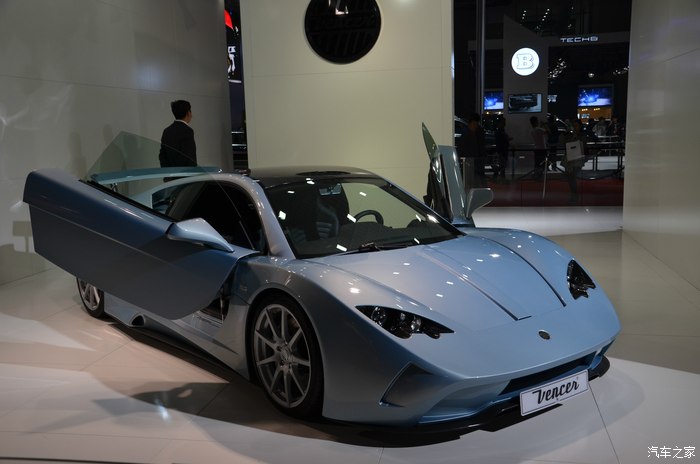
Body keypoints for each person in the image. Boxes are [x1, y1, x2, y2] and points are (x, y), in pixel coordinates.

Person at [159, 100, 197, 167]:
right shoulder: (188, 131)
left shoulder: (167, 131)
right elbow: (190, 157)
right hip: (185, 172)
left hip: (170, 172)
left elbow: (162, 156)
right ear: (188, 113)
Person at [560, 118, 590, 203]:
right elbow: (562, 142)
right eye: (573, 126)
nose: (574, 127)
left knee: (572, 178)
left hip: (577, 160)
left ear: (580, 126)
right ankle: (574, 195)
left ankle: (574, 196)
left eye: (576, 126)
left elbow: (584, 146)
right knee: (570, 178)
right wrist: (566, 133)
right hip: (569, 159)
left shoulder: (582, 136)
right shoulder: (569, 135)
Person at [456, 113, 487, 187]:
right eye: (474, 124)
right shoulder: (469, 134)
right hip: (470, 162)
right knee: (472, 182)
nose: (475, 126)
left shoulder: (469, 133)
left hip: (471, 162)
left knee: (471, 182)